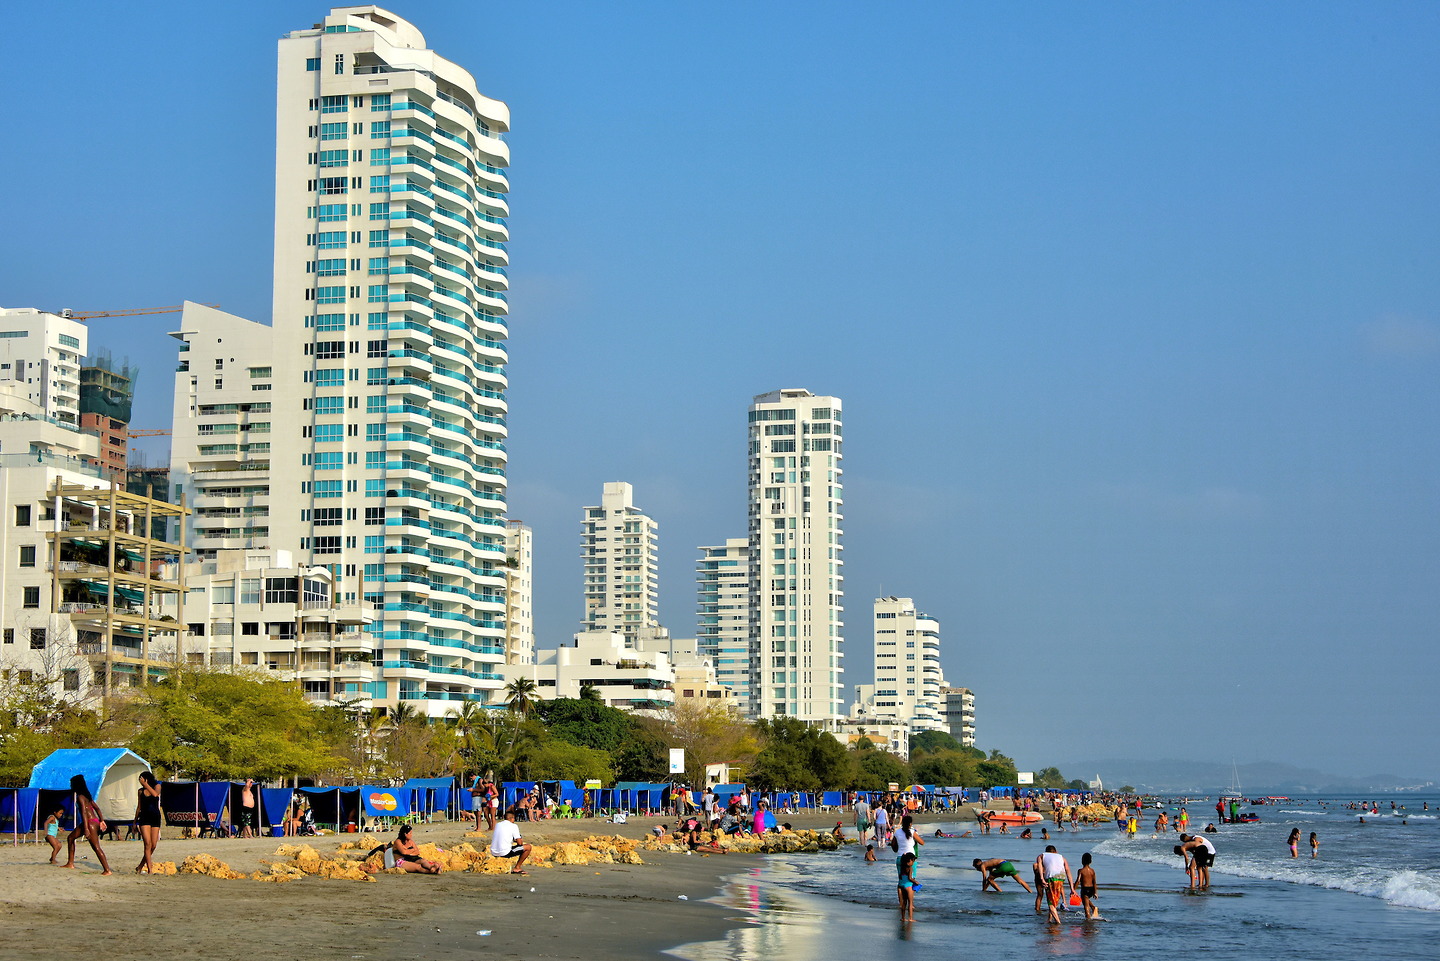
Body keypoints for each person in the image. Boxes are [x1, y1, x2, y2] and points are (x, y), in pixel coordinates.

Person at [62, 775, 112, 876]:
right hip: (94, 821)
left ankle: (107, 870)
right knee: (71, 837)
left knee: (96, 847)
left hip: (89, 823)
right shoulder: (87, 796)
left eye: (72, 784)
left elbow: (84, 813)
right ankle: (70, 863)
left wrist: (86, 828)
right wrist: (101, 821)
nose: (71, 786)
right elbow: (97, 809)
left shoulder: (80, 797)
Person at [134, 771, 164, 874]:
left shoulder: (157, 786)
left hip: (155, 817)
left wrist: (146, 784)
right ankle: (150, 870)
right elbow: (139, 807)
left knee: (153, 845)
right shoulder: (140, 791)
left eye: (141, 780)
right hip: (144, 817)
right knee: (147, 843)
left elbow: (155, 795)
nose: (140, 782)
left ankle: (140, 866)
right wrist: (134, 822)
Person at [1036, 845, 1073, 922]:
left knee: (1050, 903)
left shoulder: (1041, 855)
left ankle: (1058, 922)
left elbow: (1039, 866)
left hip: (1051, 878)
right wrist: (1072, 888)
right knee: (1054, 899)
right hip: (1061, 877)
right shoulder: (1062, 857)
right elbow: (1068, 871)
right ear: (1056, 852)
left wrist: (1042, 878)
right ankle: (1049, 919)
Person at [490, 807, 532, 875]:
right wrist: (518, 839)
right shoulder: (513, 826)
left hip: (493, 852)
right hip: (504, 852)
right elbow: (520, 843)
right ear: (512, 818)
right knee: (528, 847)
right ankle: (517, 868)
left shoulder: (498, 824)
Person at [1076, 852, 1103, 920]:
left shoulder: (1081, 871)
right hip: (1091, 889)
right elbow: (1094, 882)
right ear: (1090, 861)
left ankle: (1088, 922)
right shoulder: (1092, 871)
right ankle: (1093, 907)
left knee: (1086, 908)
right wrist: (1095, 892)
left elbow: (1078, 881)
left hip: (1084, 889)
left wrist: (1073, 889)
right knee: (1086, 900)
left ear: (1082, 861)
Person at [897, 851, 917, 922]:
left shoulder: (902, 867)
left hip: (902, 885)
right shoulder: (910, 868)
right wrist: (916, 882)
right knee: (910, 903)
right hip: (908, 885)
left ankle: (903, 917)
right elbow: (910, 878)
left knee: (904, 903)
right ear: (910, 861)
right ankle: (910, 918)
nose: (913, 862)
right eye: (913, 861)